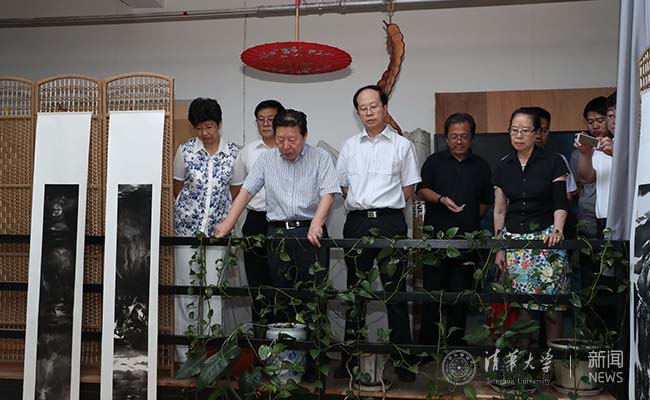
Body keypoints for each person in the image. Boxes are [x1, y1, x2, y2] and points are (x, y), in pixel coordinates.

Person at [215, 109, 340, 319]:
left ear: (304, 135)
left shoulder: (320, 157)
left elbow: (328, 194)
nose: (286, 146)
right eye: (280, 140)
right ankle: (286, 340)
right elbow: (246, 192)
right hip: (278, 234)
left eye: (292, 140)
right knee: (282, 297)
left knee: (314, 297)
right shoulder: (266, 159)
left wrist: (317, 224)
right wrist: (228, 223)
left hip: (310, 233)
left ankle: (314, 341)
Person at [335, 85, 420, 382]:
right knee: (355, 292)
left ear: (384, 108)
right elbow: (343, 186)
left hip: (390, 222)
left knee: (395, 292)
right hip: (357, 222)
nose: (369, 112)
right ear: (357, 112)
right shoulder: (350, 146)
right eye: (363, 108)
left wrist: (386, 206)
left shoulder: (402, 145)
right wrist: (363, 204)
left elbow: (409, 187)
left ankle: (403, 360)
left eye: (374, 106)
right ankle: (349, 359)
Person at [416, 112, 493, 347]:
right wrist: (441, 199)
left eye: (464, 136)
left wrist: (468, 219)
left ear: (472, 138)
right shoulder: (434, 162)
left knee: (461, 296)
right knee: (432, 296)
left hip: (467, 242)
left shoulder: (481, 166)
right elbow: (421, 190)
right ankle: (428, 346)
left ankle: (455, 346)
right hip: (436, 241)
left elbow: (484, 203)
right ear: (446, 138)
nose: (459, 141)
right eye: (454, 136)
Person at [494, 107, 570, 342]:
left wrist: (557, 230)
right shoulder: (503, 165)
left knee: (552, 304)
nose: (518, 135)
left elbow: (560, 202)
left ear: (537, 133)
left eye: (525, 130)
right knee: (521, 305)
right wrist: (499, 247)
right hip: (515, 240)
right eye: (514, 130)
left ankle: (554, 357)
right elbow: (500, 210)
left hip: (547, 237)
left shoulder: (553, 161)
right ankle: (524, 358)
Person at [173, 97, 240, 360]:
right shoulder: (185, 151)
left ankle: (212, 352)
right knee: (185, 289)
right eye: (199, 128)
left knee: (213, 291)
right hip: (186, 231)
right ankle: (185, 354)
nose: (205, 133)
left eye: (209, 126)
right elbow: (177, 188)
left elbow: (236, 193)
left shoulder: (233, 153)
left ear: (219, 124)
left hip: (218, 233)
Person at [230, 99, 285, 334]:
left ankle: (283, 337)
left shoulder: (289, 148)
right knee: (258, 282)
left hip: (283, 222)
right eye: (260, 120)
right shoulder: (248, 151)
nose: (265, 124)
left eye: (270, 119)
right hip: (256, 220)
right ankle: (261, 338)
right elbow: (237, 188)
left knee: (283, 281)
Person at [570, 97, 609, 238]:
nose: (595, 126)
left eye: (600, 120)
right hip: (588, 213)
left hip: (612, 212)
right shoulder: (579, 153)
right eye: (590, 122)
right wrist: (584, 153)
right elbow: (581, 183)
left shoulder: (621, 146)